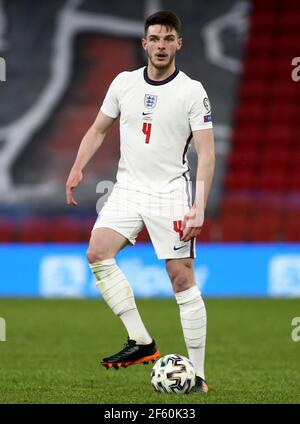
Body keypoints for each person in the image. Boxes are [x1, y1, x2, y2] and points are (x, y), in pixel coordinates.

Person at [66, 10, 215, 393]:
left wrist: (199, 205)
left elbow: (206, 152)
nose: (161, 46)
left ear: (178, 44)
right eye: (155, 39)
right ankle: (142, 342)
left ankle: (197, 375)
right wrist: (78, 166)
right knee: (97, 252)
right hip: (128, 188)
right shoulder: (124, 83)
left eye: (169, 39)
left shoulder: (192, 91)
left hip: (170, 193)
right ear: (144, 43)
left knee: (181, 278)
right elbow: (98, 128)